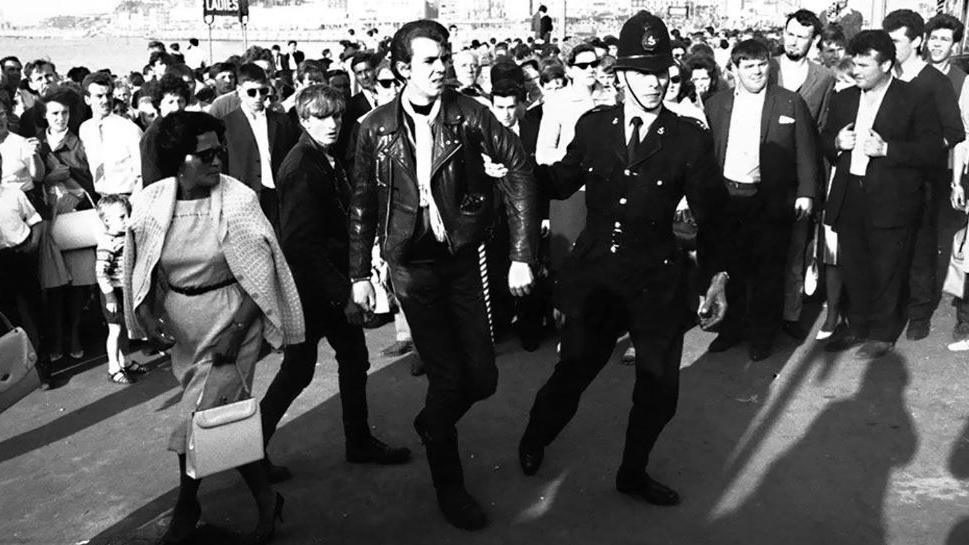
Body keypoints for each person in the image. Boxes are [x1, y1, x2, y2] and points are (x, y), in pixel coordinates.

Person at [518, 11, 730, 507]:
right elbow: (562, 180)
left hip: (656, 279)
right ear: (621, 76)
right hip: (597, 277)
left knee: (659, 391)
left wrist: (718, 278)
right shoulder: (594, 128)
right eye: (640, 72)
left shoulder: (688, 136)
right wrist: (515, 167)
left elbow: (714, 216)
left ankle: (633, 472)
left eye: (660, 72)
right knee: (572, 373)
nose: (653, 83)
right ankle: (534, 438)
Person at [348, 20, 537, 530]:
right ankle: (450, 487)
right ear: (403, 68)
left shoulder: (467, 113)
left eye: (444, 58)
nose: (441, 68)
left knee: (483, 377)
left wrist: (521, 254)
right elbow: (363, 202)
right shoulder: (375, 128)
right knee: (448, 375)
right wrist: (358, 274)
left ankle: (432, 424)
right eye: (429, 61)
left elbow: (518, 164)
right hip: (410, 266)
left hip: (459, 260)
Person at [123, 110, 304, 544]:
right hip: (186, 325)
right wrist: (146, 308)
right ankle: (266, 499)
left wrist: (236, 331)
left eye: (219, 151)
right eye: (205, 155)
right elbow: (142, 261)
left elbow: (259, 273)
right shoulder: (151, 202)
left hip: (234, 316)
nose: (217, 161)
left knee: (198, 417)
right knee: (221, 421)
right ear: (178, 160)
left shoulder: (238, 198)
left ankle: (187, 508)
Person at [261, 84, 411, 484]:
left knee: (347, 360)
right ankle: (252, 449)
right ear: (304, 120)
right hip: (315, 288)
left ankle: (357, 440)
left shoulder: (319, 157)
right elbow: (300, 244)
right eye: (320, 117)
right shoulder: (302, 166)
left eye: (336, 116)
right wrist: (342, 293)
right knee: (300, 369)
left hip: (328, 281)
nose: (331, 124)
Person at [821, 30, 944, 359]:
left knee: (888, 267)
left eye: (864, 65)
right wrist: (835, 143)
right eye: (854, 64)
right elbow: (825, 139)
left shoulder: (914, 97)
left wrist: (888, 149)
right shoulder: (844, 98)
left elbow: (932, 150)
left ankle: (882, 332)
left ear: (887, 64)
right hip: (851, 195)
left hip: (892, 199)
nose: (856, 70)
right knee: (855, 265)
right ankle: (857, 324)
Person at [705, 39, 819, 361]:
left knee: (769, 273)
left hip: (770, 199)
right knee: (731, 269)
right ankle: (731, 330)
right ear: (734, 70)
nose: (757, 71)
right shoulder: (717, 104)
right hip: (729, 198)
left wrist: (806, 193)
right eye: (749, 65)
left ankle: (761, 337)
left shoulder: (789, 102)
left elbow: (806, 151)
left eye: (762, 64)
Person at [883, 9, 965, 341]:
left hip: (923, 181)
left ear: (917, 41)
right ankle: (889, 312)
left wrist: (926, 150)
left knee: (920, 247)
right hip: (887, 177)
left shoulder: (935, 82)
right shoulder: (888, 77)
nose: (889, 49)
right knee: (888, 245)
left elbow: (956, 131)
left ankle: (918, 313)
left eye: (896, 42)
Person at [769, 9, 836, 341]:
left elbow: (821, 129)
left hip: (799, 179)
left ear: (814, 41)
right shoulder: (762, 68)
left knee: (797, 249)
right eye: (790, 33)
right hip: (762, 174)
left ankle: (790, 314)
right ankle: (754, 315)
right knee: (758, 248)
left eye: (802, 36)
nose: (793, 40)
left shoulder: (823, 78)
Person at [38, 88, 97, 362]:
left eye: (65, 113)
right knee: (54, 286)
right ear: (45, 115)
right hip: (50, 220)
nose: (60, 118)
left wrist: (70, 178)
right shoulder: (36, 144)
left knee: (79, 284)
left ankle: (73, 335)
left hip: (78, 220)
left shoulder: (79, 144)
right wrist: (48, 179)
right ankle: (57, 337)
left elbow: (91, 182)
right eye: (54, 113)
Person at [222, 63, 299, 230]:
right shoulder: (226, 124)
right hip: (244, 198)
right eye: (251, 92)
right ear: (239, 91)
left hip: (278, 197)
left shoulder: (281, 121)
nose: (258, 97)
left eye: (263, 91)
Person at [95, 194, 143, 384]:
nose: (127, 220)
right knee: (114, 330)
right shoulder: (108, 243)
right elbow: (100, 272)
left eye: (127, 215)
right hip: (113, 293)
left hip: (125, 290)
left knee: (124, 329)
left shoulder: (126, 237)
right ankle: (113, 367)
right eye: (122, 217)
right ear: (107, 220)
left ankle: (126, 361)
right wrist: (110, 297)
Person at [78, 71, 143, 196]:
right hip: (101, 198)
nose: (105, 100)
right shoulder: (85, 129)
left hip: (128, 197)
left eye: (108, 95)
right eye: (99, 96)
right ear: (87, 99)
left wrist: (132, 202)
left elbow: (142, 174)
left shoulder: (130, 129)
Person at [141, 73, 191, 186]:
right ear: (159, 104)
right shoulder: (153, 136)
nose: (176, 107)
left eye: (180, 101)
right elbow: (152, 182)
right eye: (170, 102)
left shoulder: (187, 128)